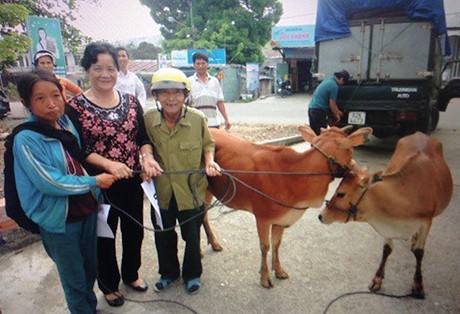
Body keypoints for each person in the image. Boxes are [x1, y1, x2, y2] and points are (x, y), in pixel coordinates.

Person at [66, 42, 162, 307]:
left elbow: (142, 138)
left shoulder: (131, 103)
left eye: (111, 68)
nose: (105, 74)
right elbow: (79, 149)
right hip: (101, 185)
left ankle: (131, 274)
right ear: (87, 70)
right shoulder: (75, 107)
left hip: (132, 181)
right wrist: (109, 165)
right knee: (105, 236)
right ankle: (108, 284)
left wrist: (147, 157)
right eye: (98, 68)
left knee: (135, 232)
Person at [13, 69, 116, 313]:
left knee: (89, 268)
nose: (51, 104)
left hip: (87, 210)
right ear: (26, 103)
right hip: (60, 218)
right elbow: (49, 182)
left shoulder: (65, 123)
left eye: (56, 95)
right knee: (74, 278)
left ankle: (88, 308)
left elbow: (77, 160)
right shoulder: (26, 139)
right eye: (40, 99)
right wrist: (94, 182)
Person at [145, 67, 222, 295]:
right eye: (164, 93)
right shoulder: (148, 119)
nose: (171, 98)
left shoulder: (198, 119)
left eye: (177, 93)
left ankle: (192, 275)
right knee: (163, 235)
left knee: (192, 235)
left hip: (192, 191)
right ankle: (168, 273)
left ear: (185, 95)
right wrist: (145, 158)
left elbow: (208, 144)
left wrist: (210, 162)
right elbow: (142, 143)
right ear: (156, 96)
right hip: (161, 192)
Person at [188, 52, 231, 130]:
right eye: (198, 63)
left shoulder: (214, 81)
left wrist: (226, 119)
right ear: (194, 65)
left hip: (214, 123)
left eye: (203, 63)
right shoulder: (188, 82)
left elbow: (220, 102)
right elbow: (185, 104)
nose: (200, 66)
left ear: (207, 64)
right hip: (195, 124)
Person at [307, 69, 350, 135]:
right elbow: (332, 104)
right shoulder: (334, 86)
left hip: (311, 108)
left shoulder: (328, 80)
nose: (342, 84)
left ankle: (314, 145)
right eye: (343, 82)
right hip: (319, 111)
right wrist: (337, 114)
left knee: (314, 134)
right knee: (322, 134)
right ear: (341, 79)